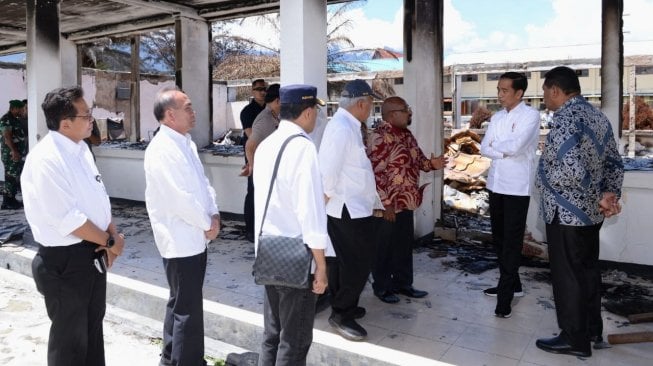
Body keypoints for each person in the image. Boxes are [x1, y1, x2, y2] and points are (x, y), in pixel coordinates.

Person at [21, 86, 126, 366]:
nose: (92, 119)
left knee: (92, 333)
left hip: (90, 255)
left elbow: (98, 199)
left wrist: (110, 235)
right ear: (65, 123)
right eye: (86, 115)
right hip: (65, 263)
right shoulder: (47, 158)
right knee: (70, 344)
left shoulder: (80, 151)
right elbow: (69, 219)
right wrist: (111, 242)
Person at [535, 66, 624, 358]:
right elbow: (614, 162)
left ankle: (574, 339)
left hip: (566, 213)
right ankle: (592, 329)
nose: (545, 97)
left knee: (568, 276)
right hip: (590, 215)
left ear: (556, 90)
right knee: (586, 271)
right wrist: (610, 196)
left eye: (546, 91)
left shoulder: (564, 118)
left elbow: (571, 166)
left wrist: (600, 195)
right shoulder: (598, 117)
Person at [253, 84, 330, 366]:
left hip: (269, 253)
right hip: (296, 257)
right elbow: (310, 213)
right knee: (295, 340)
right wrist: (321, 266)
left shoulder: (266, 145)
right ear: (308, 112)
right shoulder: (302, 148)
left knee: (272, 335)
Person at [144, 87, 221, 366]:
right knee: (188, 309)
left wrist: (214, 215)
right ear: (169, 114)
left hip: (195, 235)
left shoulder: (184, 142)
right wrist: (206, 223)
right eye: (187, 107)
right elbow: (180, 199)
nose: (193, 112)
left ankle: (170, 358)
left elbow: (203, 185)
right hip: (180, 239)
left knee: (180, 302)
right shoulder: (162, 149)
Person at [367, 96, 447, 304]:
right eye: (405, 110)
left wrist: (433, 164)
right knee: (383, 248)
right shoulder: (379, 137)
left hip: (406, 202)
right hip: (387, 206)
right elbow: (374, 174)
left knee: (403, 246)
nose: (409, 113)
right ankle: (382, 287)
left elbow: (419, 161)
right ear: (392, 114)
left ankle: (403, 284)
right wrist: (386, 204)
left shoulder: (407, 135)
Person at [318, 79, 381, 341]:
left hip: (354, 207)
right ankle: (341, 313)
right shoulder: (341, 128)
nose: (371, 110)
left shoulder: (349, 126)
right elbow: (328, 172)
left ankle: (349, 304)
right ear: (361, 103)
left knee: (349, 262)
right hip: (345, 209)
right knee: (355, 263)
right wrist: (321, 208)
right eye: (371, 105)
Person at [479, 72, 541, 318]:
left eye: (505, 90)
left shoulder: (531, 116)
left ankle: (504, 300)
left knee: (512, 243)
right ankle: (513, 285)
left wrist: (498, 148)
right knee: (499, 238)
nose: (500, 94)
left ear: (519, 93)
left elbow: (517, 147)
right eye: (498, 90)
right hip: (496, 184)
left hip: (517, 187)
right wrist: (500, 150)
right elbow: (484, 147)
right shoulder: (496, 117)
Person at [240, 78, 267, 242]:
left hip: (267, 156)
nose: (262, 92)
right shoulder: (248, 111)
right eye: (258, 89)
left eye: (264, 89)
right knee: (253, 192)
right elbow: (252, 136)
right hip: (254, 157)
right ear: (252, 91)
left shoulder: (270, 110)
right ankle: (250, 229)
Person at [244, 83, 281, 176]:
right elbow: (249, 147)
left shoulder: (275, 117)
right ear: (278, 101)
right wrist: (257, 173)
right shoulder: (265, 119)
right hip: (266, 174)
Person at [1, 99, 27, 209]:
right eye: (21, 108)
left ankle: (11, 199)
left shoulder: (15, 119)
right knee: (10, 177)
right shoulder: (6, 120)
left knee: (14, 175)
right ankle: (7, 202)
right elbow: (7, 137)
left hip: (16, 153)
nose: (22, 110)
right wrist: (14, 151)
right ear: (14, 108)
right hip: (10, 154)